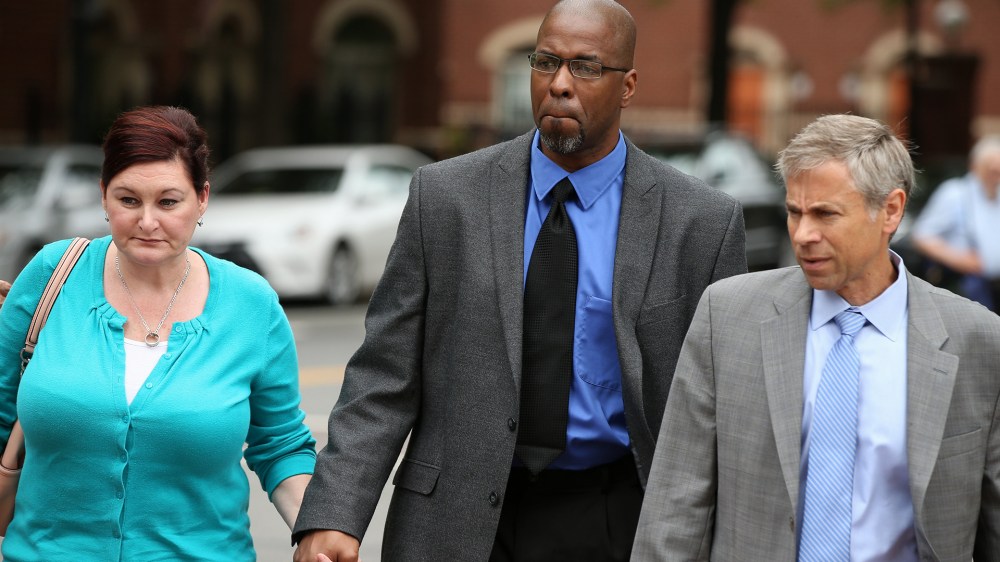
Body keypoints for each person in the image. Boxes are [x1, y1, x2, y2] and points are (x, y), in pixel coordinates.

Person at [292, 1, 747, 561]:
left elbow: (724, 408)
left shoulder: (700, 223)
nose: (558, 84)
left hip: (618, 518)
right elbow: (383, 376)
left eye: (585, 67)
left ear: (627, 86)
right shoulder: (445, 198)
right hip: (454, 520)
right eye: (544, 62)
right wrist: (335, 513)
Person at [632, 114, 1000, 561]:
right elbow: (676, 505)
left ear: (891, 210)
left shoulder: (977, 340)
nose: (803, 235)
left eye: (826, 214)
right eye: (794, 212)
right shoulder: (727, 317)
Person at [0, 106, 316, 560]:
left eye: (168, 202)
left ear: (202, 198)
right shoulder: (52, 276)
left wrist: (316, 529)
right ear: (103, 194)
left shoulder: (251, 304)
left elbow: (280, 443)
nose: (148, 221)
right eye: (128, 200)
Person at [911, 134, 1000, 311]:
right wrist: (958, 259)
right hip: (968, 287)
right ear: (975, 167)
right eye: (990, 169)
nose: (995, 173)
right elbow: (922, 235)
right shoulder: (955, 193)